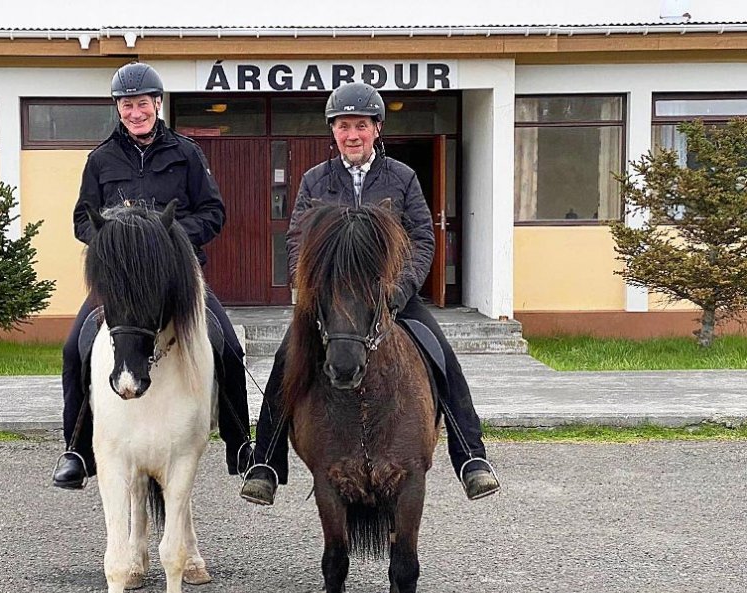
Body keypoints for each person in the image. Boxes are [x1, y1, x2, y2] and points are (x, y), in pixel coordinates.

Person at [240, 82, 501, 506]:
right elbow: (296, 241)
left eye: (360, 125)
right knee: (285, 359)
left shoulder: (402, 178)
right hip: (332, 302)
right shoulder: (315, 182)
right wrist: (312, 290)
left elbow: (421, 238)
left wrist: (400, 290)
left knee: (442, 356)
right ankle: (266, 462)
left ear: (377, 129)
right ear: (333, 132)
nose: (352, 135)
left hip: (392, 297)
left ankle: (471, 457)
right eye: (344, 126)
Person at [53, 62, 251, 489]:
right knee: (74, 350)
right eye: (127, 105)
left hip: (178, 278)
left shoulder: (187, 153)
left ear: (157, 104)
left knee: (228, 346)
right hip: (121, 282)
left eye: (143, 103)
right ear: (118, 109)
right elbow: (81, 221)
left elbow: (213, 213)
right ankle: (75, 449)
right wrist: (115, 240)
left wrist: (169, 239)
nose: (135, 112)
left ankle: (240, 444)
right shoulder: (100, 159)